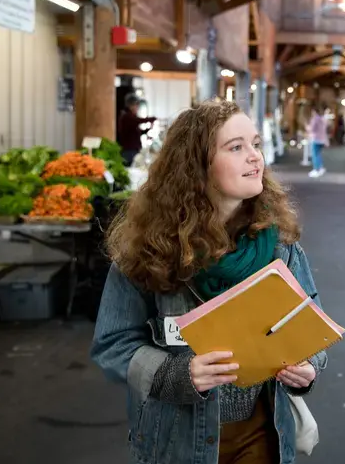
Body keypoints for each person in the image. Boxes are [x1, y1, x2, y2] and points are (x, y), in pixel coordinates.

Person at [91, 100, 327, 464]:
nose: (255, 157)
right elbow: (112, 345)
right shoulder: (149, 251)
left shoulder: (281, 247)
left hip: (262, 434)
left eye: (256, 144)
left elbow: (312, 326)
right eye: (236, 147)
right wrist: (174, 373)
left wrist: (306, 365)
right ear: (197, 168)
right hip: (175, 440)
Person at [117, 93, 156, 166]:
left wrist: (147, 130)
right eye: (136, 105)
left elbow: (137, 132)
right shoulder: (126, 116)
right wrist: (152, 119)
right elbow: (138, 120)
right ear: (131, 105)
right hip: (129, 151)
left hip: (133, 150)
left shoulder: (130, 116)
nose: (137, 107)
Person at [308, 104, 328, 178]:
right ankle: (320, 168)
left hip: (315, 139)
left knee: (315, 155)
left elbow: (312, 129)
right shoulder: (322, 119)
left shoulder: (314, 119)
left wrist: (307, 127)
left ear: (314, 111)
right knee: (318, 154)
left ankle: (316, 170)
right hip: (322, 139)